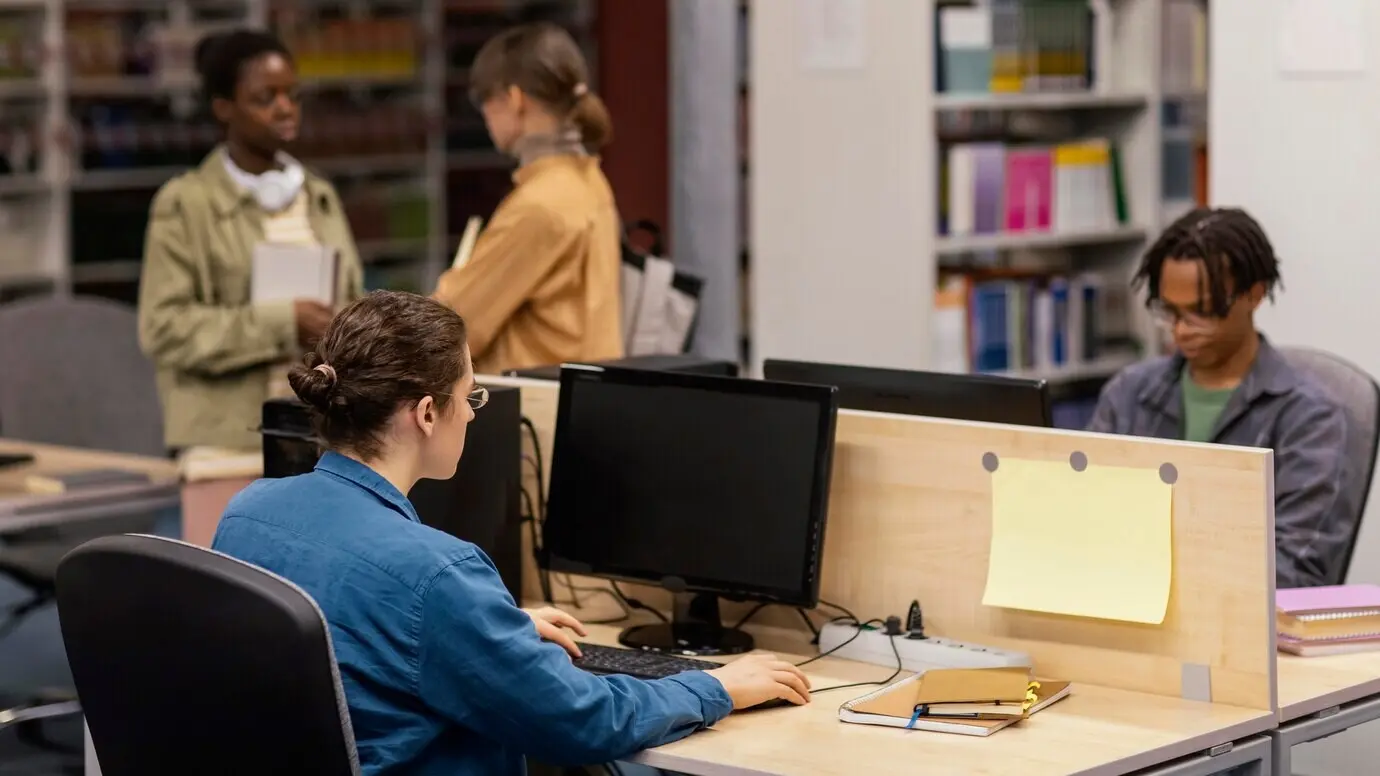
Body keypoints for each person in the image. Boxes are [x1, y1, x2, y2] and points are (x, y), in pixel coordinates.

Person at [211, 290, 811, 775]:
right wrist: (718, 687)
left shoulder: (247, 515)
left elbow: (343, 637)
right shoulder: (440, 574)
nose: (472, 413)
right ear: (425, 413)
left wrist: (499, 630)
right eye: (468, 396)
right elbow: (587, 722)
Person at [1088, 207, 1351, 588]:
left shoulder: (1309, 418)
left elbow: (1296, 572)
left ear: (1254, 295)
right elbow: (1084, 521)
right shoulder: (1128, 394)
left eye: (1202, 312)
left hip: (1238, 630)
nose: (1181, 331)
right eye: (1170, 312)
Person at [138, 28, 364, 453]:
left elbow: (353, 297)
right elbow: (164, 329)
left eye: (292, 95)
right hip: (228, 438)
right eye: (266, 98)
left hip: (323, 432)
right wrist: (285, 322)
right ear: (224, 108)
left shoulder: (318, 195)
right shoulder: (186, 203)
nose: (285, 108)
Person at [433, 22, 623, 375]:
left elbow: (453, 327)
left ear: (515, 99)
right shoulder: (589, 179)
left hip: (534, 415)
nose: (486, 116)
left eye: (484, 100)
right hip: (581, 398)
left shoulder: (540, 204)